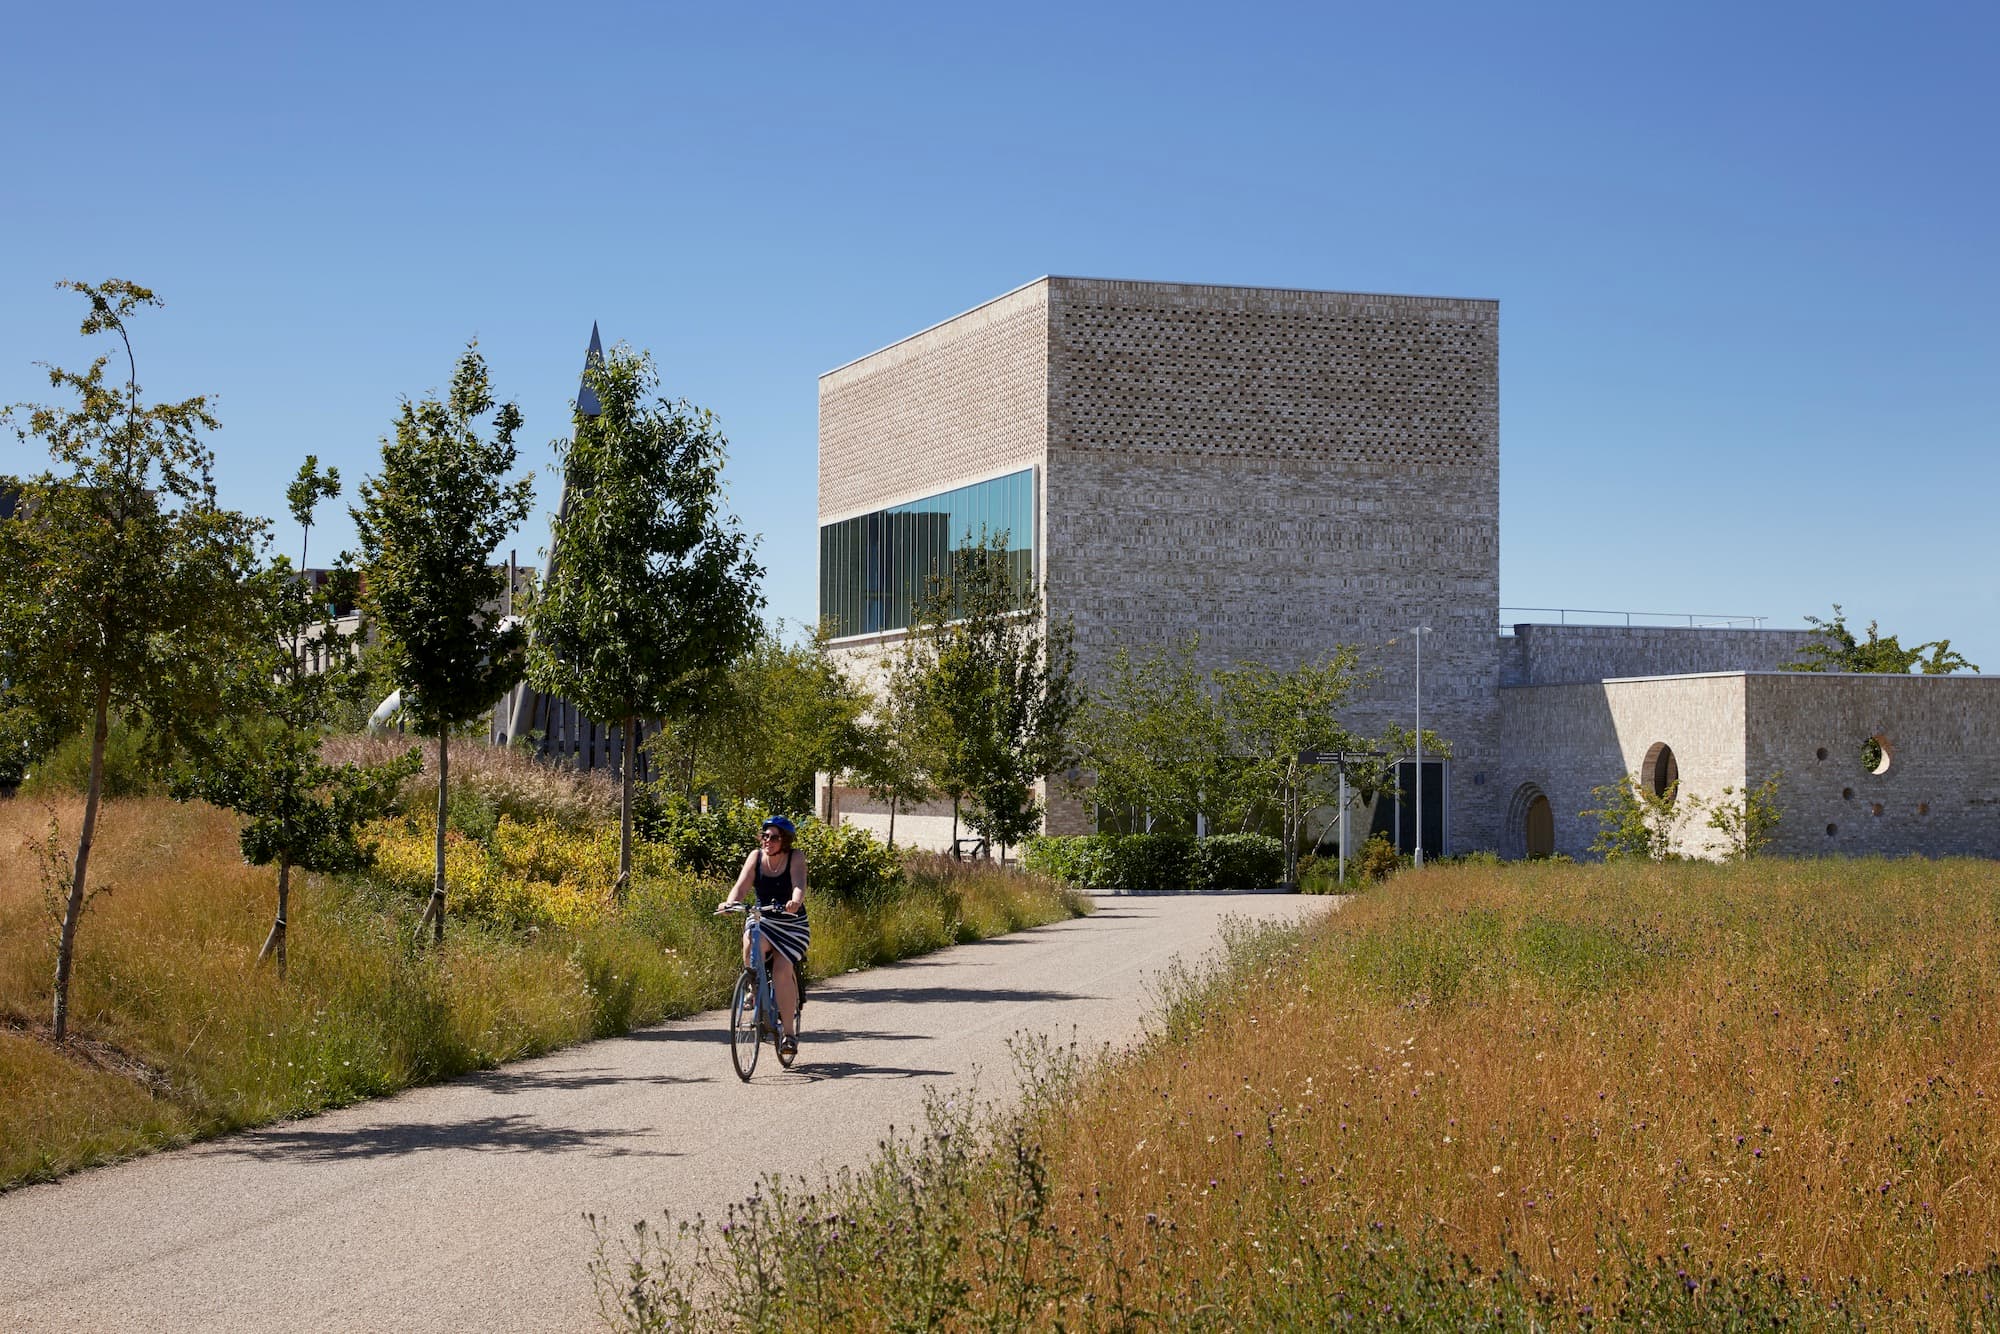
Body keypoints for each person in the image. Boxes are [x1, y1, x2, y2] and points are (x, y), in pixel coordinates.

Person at [719, 815, 809, 1056]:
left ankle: (788, 1035)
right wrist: (730, 903)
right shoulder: (755, 856)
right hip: (763, 916)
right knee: (751, 941)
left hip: (790, 922)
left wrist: (795, 901)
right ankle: (752, 985)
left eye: (774, 837)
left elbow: (799, 883)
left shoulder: (795, 857)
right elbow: (742, 885)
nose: (767, 840)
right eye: (765, 836)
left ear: (785, 841)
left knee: (781, 970)